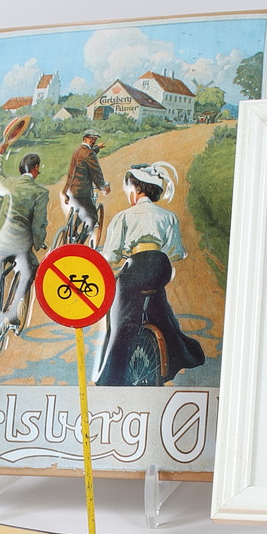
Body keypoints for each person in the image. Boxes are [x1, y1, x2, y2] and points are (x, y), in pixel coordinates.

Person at [93, 162, 205, 386]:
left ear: (136, 188)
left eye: (129, 189)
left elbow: (112, 256)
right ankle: (173, 352)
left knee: (121, 321)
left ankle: (111, 378)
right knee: (160, 309)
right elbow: (175, 252)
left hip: (136, 266)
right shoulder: (168, 216)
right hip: (160, 266)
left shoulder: (124, 217)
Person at [0, 135, 49, 351]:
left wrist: (0, 155)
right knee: (33, 268)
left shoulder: (8, 183)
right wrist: (39, 243)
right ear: (35, 169)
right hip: (19, 248)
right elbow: (38, 224)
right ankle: (13, 309)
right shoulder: (40, 193)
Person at [63, 129, 109, 238]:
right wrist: (103, 186)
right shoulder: (89, 154)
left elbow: (88, 153)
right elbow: (96, 173)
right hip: (82, 191)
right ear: (85, 138)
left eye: (95, 139)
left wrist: (97, 147)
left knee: (82, 209)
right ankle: (80, 242)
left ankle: (73, 230)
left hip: (70, 190)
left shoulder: (78, 150)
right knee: (92, 217)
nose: (93, 140)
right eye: (91, 138)